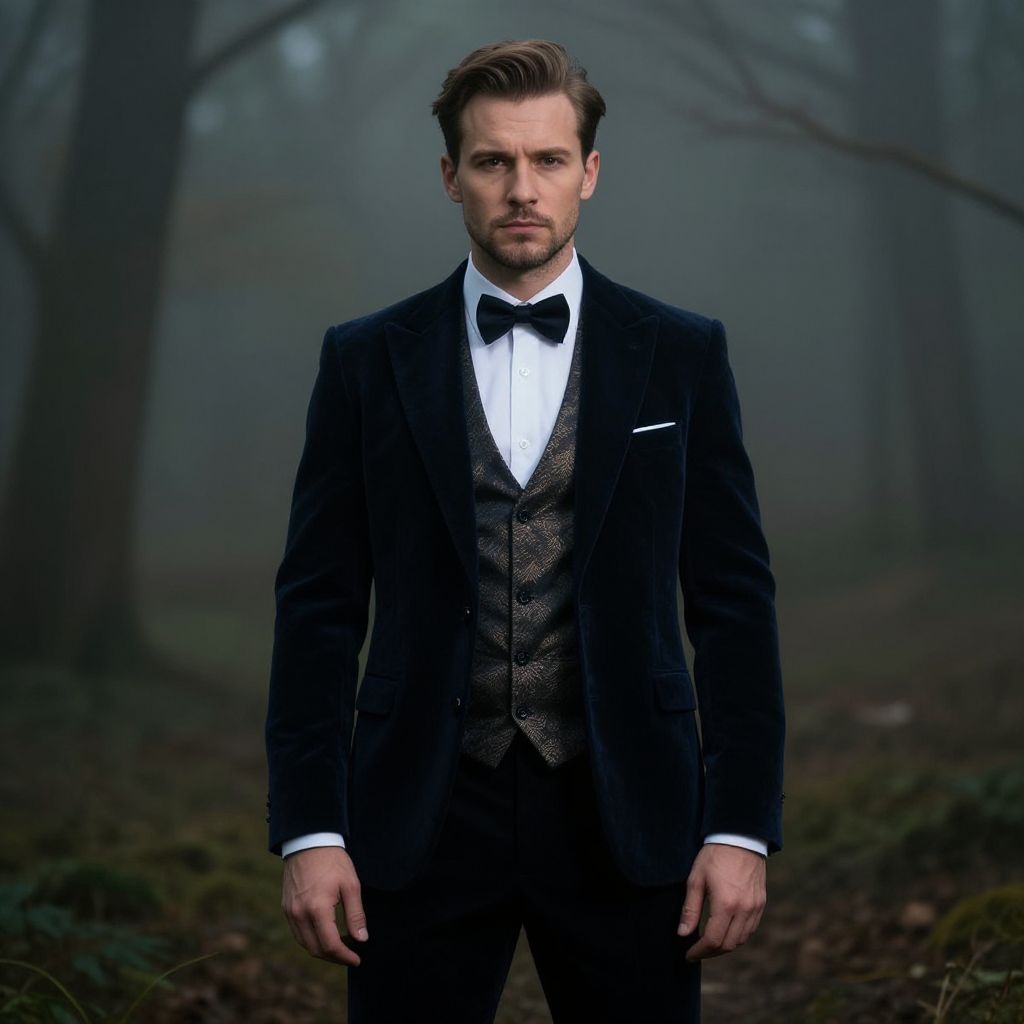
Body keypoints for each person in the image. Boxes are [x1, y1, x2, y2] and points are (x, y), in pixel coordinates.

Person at [265, 38, 785, 1023]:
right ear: (450, 174)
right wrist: (308, 828)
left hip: (628, 807)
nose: (521, 187)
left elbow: (731, 605)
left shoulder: (680, 353)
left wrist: (742, 827)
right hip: (414, 814)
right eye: (494, 160)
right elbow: (320, 609)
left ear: (588, 172)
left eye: (547, 159)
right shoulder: (364, 362)